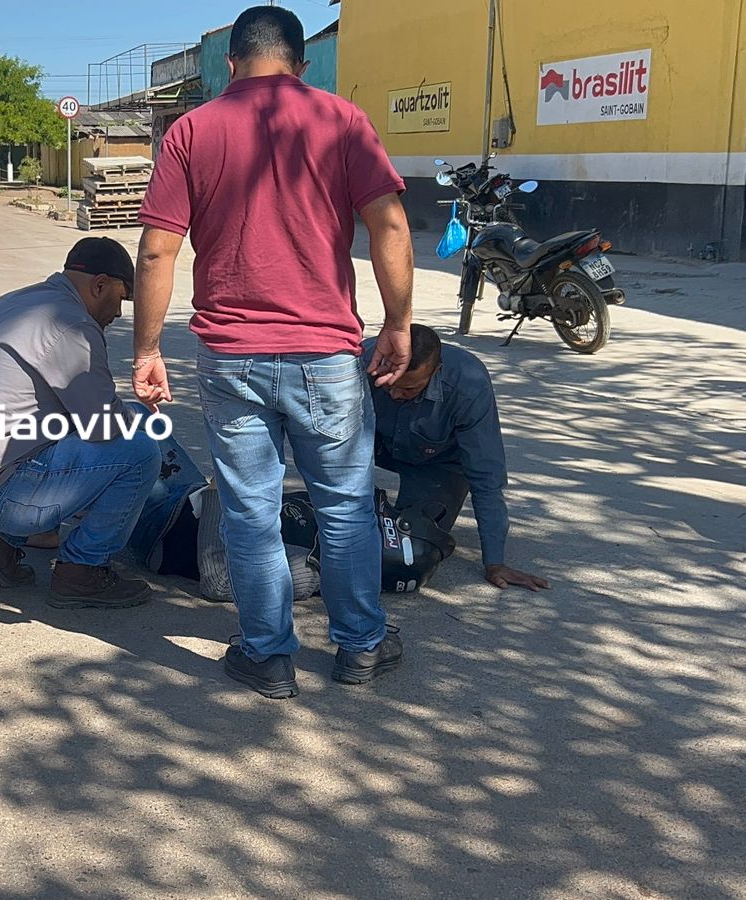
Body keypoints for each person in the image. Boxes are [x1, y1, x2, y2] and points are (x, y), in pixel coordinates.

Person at [130, 6, 417, 699]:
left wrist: (146, 348)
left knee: (250, 513)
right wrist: (399, 324)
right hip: (324, 353)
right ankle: (360, 647)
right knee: (345, 508)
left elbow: (155, 250)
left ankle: (267, 655)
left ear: (230, 64)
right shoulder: (342, 121)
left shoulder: (191, 131)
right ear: (301, 62)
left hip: (231, 359)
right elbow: (390, 222)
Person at [0, 237, 161, 609]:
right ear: (99, 285)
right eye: (122, 299)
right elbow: (104, 424)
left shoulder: (17, 301)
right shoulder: (72, 325)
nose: (120, 314)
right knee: (141, 452)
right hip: (0, 492)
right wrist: (137, 424)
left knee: (115, 423)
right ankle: (82, 571)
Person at [366, 327, 550, 593]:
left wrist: (495, 562)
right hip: (371, 441)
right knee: (344, 525)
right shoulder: (362, 361)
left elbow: (486, 476)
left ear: (436, 371)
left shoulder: (469, 385)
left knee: (412, 548)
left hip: (436, 462)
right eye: (389, 383)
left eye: (408, 388)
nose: (394, 394)